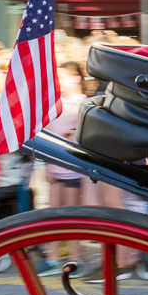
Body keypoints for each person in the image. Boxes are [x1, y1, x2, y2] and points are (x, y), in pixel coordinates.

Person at [38, 62, 88, 276]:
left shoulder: (84, 103)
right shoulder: (53, 103)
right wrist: (47, 164)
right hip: (54, 164)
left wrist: (74, 132)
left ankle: (75, 258)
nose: (59, 81)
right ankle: (53, 258)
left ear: (76, 78)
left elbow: (87, 134)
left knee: (71, 216)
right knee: (53, 214)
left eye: (64, 77)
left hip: (73, 166)